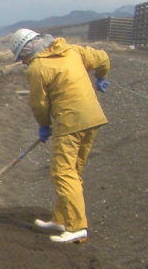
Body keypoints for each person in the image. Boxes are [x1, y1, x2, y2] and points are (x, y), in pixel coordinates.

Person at [9, 28, 110, 244]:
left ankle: (77, 227)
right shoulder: (72, 51)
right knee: (73, 171)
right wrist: (101, 77)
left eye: (23, 58)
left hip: (70, 122)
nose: (23, 62)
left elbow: (39, 104)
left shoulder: (37, 68)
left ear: (28, 52)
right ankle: (61, 219)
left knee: (62, 173)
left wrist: (44, 125)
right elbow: (102, 58)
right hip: (93, 119)